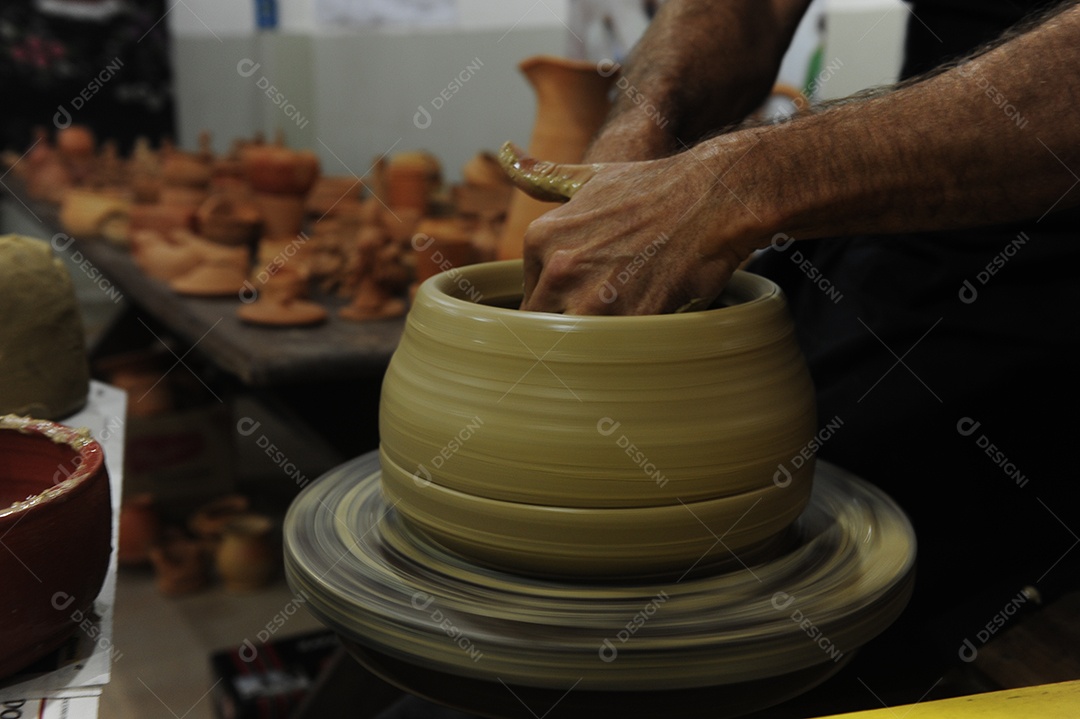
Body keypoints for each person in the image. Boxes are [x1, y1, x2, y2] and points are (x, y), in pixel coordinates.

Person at [514, 0, 1080, 706]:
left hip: (1053, 293)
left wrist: (740, 182)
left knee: (747, 595)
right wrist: (642, 129)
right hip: (907, 213)